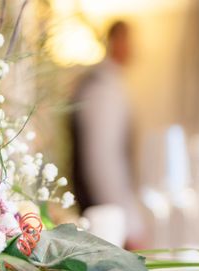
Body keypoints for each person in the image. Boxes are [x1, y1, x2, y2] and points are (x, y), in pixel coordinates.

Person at [70, 21, 144, 249]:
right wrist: (129, 223)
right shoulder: (103, 89)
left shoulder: (108, 84)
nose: (135, 48)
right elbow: (102, 158)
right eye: (129, 40)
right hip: (105, 219)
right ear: (115, 42)